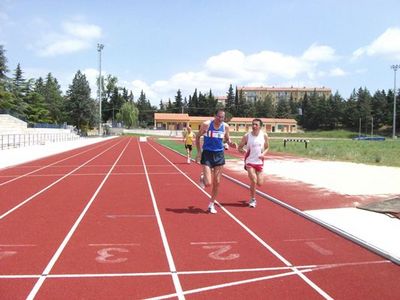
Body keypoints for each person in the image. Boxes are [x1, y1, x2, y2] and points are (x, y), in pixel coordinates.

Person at [195, 109, 237, 214]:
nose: (220, 119)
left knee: (217, 182)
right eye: (218, 117)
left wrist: (231, 143)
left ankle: (211, 204)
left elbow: (227, 139)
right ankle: (203, 178)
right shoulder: (206, 124)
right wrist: (199, 152)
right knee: (208, 183)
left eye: (222, 117)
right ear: (214, 116)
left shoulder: (225, 126)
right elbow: (197, 136)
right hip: (207, 154)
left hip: (219, 155)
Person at [237, 118, 269, 208]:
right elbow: (239, 147)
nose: (254, 126)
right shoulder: (247, 136)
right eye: (253, 124)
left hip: (259, 162)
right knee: (253, 180)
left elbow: (267, 147)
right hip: (249, 161)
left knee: (260, 183)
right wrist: (243, 151)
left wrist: (263, 154)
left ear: (260, 126)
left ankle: (252, 195)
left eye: (256, 125)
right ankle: (253, 199)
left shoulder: (264, 135)